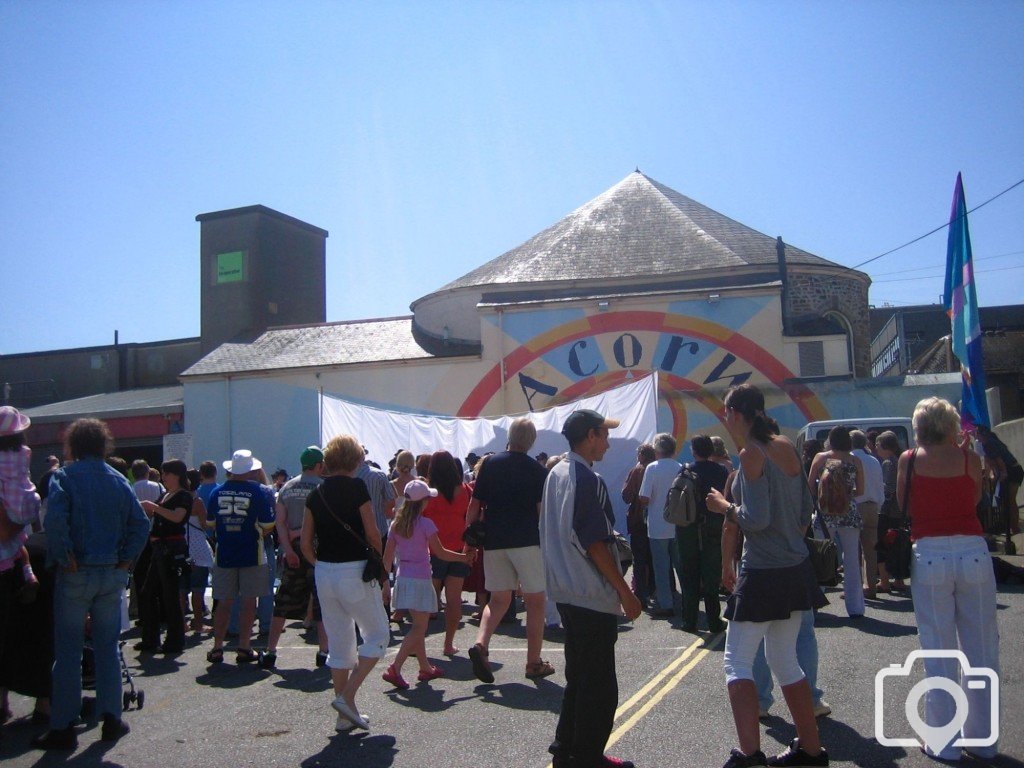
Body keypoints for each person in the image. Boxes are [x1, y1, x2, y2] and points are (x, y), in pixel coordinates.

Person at [706, 384, 828, 768]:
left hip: (763, 571)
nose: (724, 418)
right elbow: (806, 508)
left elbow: (755, 520)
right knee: (785, 659)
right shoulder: (786, 447)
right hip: (794, 568)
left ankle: (749, 755)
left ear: (737, 414)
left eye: (726, 411)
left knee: (737, 663)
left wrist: (724, 506)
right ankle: (810, 751)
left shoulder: (751, 455)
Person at [32, 418, 150, 749]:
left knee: (68, 651)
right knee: (108, 647)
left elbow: (53, 519)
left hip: (76, 572)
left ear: (73, 444)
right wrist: (125, 560)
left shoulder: (64, 477)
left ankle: (63, 726)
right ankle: (112, 718)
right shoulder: (118, 480)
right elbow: (140, 525)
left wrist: (65, 555)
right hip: (111, 572)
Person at [897, 397, 999, 761]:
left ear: (920, 426)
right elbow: (973, 501)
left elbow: (906, 506)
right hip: (972, 549)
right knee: (982, 647)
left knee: (938, 650)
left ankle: (944, 740)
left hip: (930, 552)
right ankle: (984, 740)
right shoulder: (971, 459)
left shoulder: (909, 461)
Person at [541, 408, 642, 768]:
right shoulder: (586, 478)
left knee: (579, 676)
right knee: (599, 684)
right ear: (589, 436)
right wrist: (624, 592)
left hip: (565, 589)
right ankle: (587, 756)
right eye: (604, 434)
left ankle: (566, 748)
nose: (608, 442)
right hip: (588, 591)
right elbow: (594, 542)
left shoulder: (557, 472)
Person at [302, 434, 390, 733]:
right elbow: (373, 531)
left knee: (340, 644)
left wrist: (320, 565)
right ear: (355, 460)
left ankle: (345, 714)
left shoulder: (315, 494)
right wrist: (380, 563)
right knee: (378, 634)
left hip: (325, 571)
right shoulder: (357, 487)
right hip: (355, 569)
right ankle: (346, 696)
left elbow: (304, 542)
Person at [465, 417, 552, 683]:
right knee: (536, 602)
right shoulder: (537, 470)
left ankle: (481, 644)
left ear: (510, 437)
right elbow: (541, 513)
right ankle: (533, 662)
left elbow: (474, 505)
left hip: (494, 540)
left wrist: (469, 540)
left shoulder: (490, 464)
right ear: (531, 440)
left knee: (498, 600)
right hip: (527, 540)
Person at [381, 479, 473, 689]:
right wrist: (463, 558)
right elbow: (439, 552)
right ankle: (395, 667)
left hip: (403, 578)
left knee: (418, 625)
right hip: (421, 579)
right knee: (419, 628)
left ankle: (425, 667)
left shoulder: (396, 524)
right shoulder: (425, 524)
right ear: (422, 502)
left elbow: (386, 560)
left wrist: (385, 584)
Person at [206, 450, 276, 665]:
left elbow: (210, 525)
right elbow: (267, 525)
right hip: (251, 553)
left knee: (224, 602)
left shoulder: (217, 493)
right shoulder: (258, 493)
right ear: (251, 470)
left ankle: (217, 647)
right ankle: (244, 646)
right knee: (249, 602)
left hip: (225, 553)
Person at [260, 446, 328, 669]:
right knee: (321, 603)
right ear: (319, 465)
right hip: (317, 549)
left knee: (283, 600)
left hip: (292, 551)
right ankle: (323, 652)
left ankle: (270, 651)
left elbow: (280, 521)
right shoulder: (322, 488)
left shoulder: (287, 487)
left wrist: (288, 549)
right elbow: (321, 521)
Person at [807, 426, 865, 618]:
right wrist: (845, 496)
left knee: (821, 557)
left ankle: (815, 602)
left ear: (830, 440)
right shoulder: (855, 460)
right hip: (849, 514)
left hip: (825, 516)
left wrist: (823, 499)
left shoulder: (821, 458)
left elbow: (810, 485)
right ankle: (855, 608)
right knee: (851, 560)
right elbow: (861, 490)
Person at [137, 460, 192, 655]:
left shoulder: (184, 496)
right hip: (158, 546)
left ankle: (175, 640)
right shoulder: (165, 494)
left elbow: (177, 517)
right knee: (148, 592)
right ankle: (151, 638)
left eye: (166, 473)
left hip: (171, 547)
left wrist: (153, 507)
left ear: (176, 474)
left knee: (169, 594)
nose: (164, 477)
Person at [677, 434, 729, 633]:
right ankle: (714, 620)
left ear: (694, 450)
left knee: (689, 575)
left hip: (688, 528)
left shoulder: (686, 470)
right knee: (711, 577)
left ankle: (689, 621)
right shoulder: (720, 471)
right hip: (713, 528)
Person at [422, 450, 472, 657]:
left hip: (433, 550)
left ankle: (419, 644)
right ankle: (448, 644)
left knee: (426, 603)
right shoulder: (465, 490)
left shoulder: (428, 492)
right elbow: (470, 518)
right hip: (459, 549)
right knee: (454, 600)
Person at [638, 433, 682, 618]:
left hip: (657, 525)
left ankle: (666, 604)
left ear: (657, 450)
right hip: (679, 524)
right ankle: (689, 600)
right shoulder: (681, 467)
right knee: (681, 566)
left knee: (661, 567)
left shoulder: (652, 468)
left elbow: (644, 497)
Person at [0, 406, 41, 602]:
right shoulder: (24, 453)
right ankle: (29, 573)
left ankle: (29, 574)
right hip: (22, 505)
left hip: (5, 510)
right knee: (20, 545)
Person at [621, 443, 656, 608]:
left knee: (639, 559)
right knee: (653, 557)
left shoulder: (638, 470)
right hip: (656, 519)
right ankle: (654, 590)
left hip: (638, 519)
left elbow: (627, 496)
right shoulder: (656, 468)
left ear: (642, 455)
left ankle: (641, 595)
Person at [850, 430, 884, 598]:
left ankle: (855, 590)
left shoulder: (849, 459)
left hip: (855, 505)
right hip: (873, 507)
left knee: (852, 550)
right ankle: (871, 587)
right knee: (871, 550)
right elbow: (880, 486)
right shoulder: (873, 460)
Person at [873, 431, 905, 592]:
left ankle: (884, 581)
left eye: (878, 445)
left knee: (882, 545)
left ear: (885, 446)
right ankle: (899, 579)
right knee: (897, 546)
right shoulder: (899, 460)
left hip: (888, 510)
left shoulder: (888, 463)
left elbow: (889, 488)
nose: (876, 447)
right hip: (899, 511)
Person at [977, 424, 1022, 536]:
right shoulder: (987, 443)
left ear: (982, 434)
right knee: (1006, 500)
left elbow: (998, 459)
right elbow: (989, 462)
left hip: (1012, 470)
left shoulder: (989, 443)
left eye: (976, 433)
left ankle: (1014, 528)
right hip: (1013, 469)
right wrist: (989, 475)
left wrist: (1002, 473)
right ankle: (1011, 527)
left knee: (1010, 500)